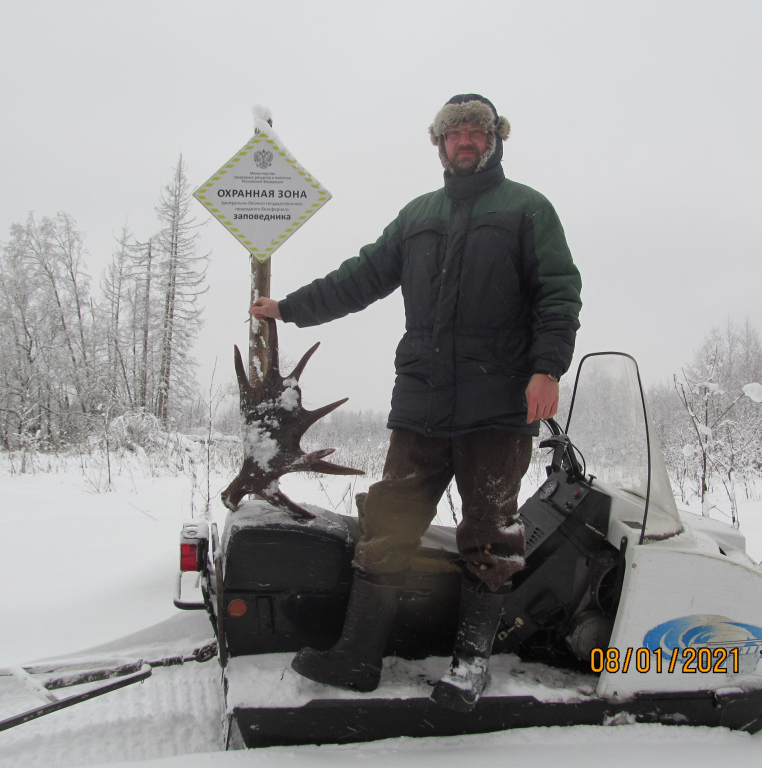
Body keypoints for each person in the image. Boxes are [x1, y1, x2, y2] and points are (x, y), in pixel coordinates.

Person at [248, 94, 581, 712]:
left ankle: (469, 664)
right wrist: (289, 308)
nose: (465, 140)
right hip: (421, 409)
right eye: (454, 132)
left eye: (475, 132)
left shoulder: (527, 209)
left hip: (497, 410)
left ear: (494, 140)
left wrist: (546, 370)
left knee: (489, 536)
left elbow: (558, 294)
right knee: (389, 525)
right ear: (439, 144)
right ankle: (357, 655)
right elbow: (362, 276)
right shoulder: (418, 216)